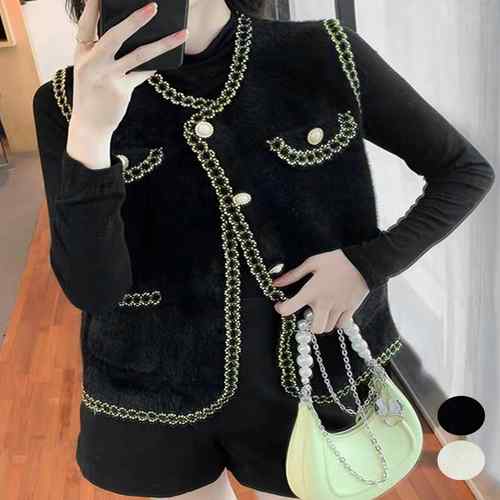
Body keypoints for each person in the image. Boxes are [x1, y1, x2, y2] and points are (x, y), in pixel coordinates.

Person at [32, 0, 495, 498]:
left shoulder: (323, 54)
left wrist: (367, 266)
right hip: (151, 388)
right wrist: (91, 132)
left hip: (313, 370)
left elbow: (463, 171)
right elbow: (92, 289)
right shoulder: (65, 103)